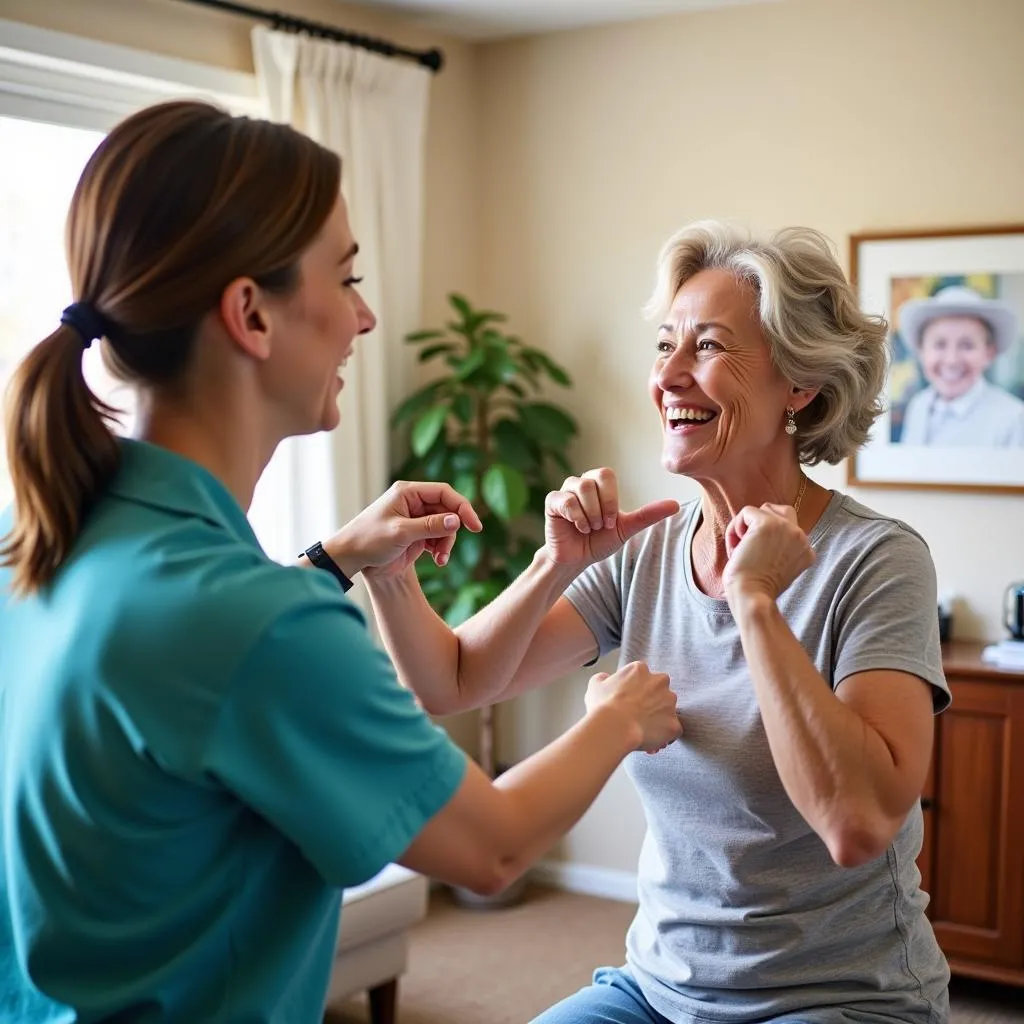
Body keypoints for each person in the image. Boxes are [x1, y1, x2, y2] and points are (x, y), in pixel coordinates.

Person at [0, 100, 685, 1023]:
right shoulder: (252, 622)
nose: (365, 318)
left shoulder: (40, 535)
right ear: (251, 314)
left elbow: (183, 682)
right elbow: (495, 849)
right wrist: (615, 717)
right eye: (347, 277)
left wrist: (328, 558)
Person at [364, 222, 952, 1024]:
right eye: (665, 344)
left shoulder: (877, 560)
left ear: (799, 385)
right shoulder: (647, 550)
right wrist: (541, 564)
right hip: (658, 988)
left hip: (837, 998)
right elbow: (453, 682)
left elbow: (857, 824)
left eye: (707, 347)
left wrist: (755, 603)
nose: (669, 375)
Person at [897, 284, 1024, 446]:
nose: (952, 360)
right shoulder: (918, 405)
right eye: (940, 345)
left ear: (988, 353)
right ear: (922, 351)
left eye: (967, 345)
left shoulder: (1013, 418)